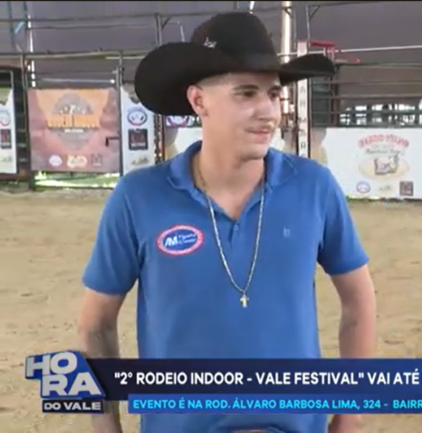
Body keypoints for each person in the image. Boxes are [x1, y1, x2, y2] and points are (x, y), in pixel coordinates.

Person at [77, 11, 377, 433]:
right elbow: (96, 324)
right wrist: (106, 428)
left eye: (273, 93)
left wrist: (351, 416)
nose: (267, 111)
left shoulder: (314, 187)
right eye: (246, 93)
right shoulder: (139, 197)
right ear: (199, 101)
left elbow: (359, 302)